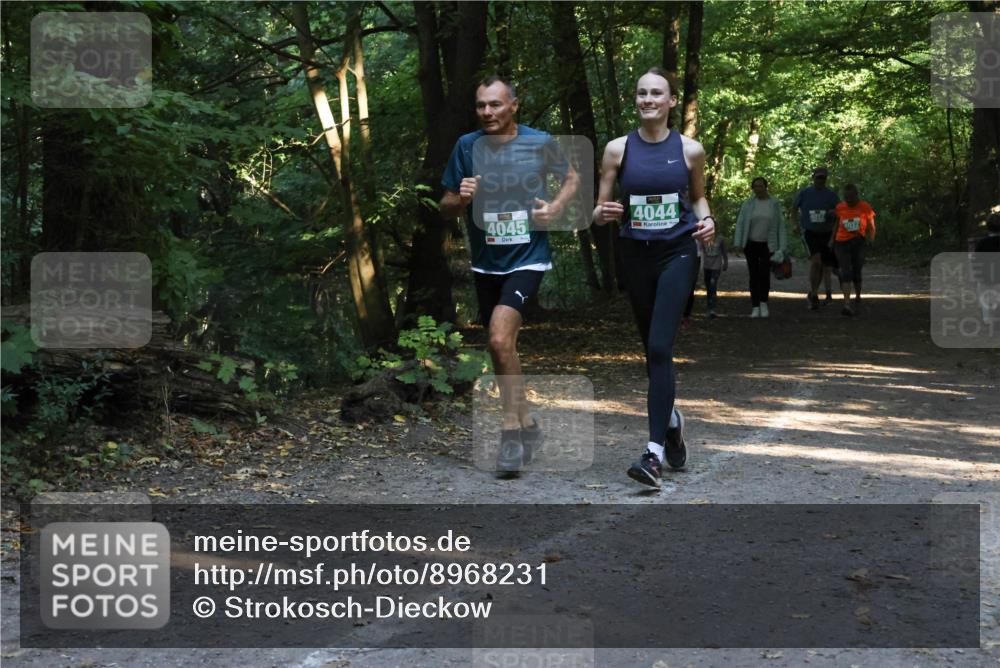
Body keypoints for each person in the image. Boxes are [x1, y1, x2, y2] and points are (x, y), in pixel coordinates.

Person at [440, 76, 580, 476]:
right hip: (486, 263)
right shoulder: (466, 147)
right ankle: (530, 427)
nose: (487, 112)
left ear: (513, 106)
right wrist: (460, 198)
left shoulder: (538, 142)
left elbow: (572, 179)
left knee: (499, 337)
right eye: (481, 105)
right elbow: (445, 206)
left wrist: (554, 209)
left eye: (495, 105)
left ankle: (510, 436)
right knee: (504, 349)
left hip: (528, 258)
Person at [593, 67, 716, 488]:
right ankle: (672, 421)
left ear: (670, 102)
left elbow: (698, 198)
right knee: (651, 350)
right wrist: (603, 213)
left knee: (661, 345)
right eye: (642, 93)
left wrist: (709, 222)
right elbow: (599, 207)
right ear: (637, 100)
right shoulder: (616, 149)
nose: (648, 99)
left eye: (656, 93)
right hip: (635, 256)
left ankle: (652, 453)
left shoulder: (690, 149)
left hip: (678, 254)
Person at [733, 176, 787, 318]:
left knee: (764, 274)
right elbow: (740, 223)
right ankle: (755, 306)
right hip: (750, 244)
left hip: (768, 245)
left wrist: (782, 247)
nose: (758, 188)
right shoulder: (748, 204)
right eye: (755, 186)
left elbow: (781, 226)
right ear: (753, 188)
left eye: (760, 186)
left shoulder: (774, 204)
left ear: (765, 187)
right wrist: (738, 243)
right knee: (753, 275)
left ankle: (764, 302)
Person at [793, 167, 840, 310]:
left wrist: (833, 214)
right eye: (818, 177)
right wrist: (795, 225)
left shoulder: (831, 195)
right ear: (813, 178)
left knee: (822, 265)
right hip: (810, 232)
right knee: (816, 262)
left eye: (823, 178)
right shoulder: (805, 193)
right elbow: (793, 209)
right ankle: (814, 294)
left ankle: (813, 293)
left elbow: (840, 213)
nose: (820, 180)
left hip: (826, 233)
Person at [830, 183, 875, 316]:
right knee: (846, 272)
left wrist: (870, 239)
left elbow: (871, 226)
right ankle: (847, 304)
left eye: (850, 197)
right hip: (841, 243)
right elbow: (836, 225)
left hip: (858, 242)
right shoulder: (840, 207)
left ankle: (858, 296)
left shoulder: (865, 207)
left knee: (856, 270)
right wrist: (832, 239)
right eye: (846, 197)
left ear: (856, 195)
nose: (848, 200)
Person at [701, 235, 728, 318]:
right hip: (706, 266)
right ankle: (709, 307)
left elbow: (724, 252)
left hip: (716, 266)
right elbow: (700, 251)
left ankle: (712, 309)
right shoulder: (704, 238)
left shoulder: (720, 239)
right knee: (708, 287)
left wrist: (726, 262)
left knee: (713, 285)